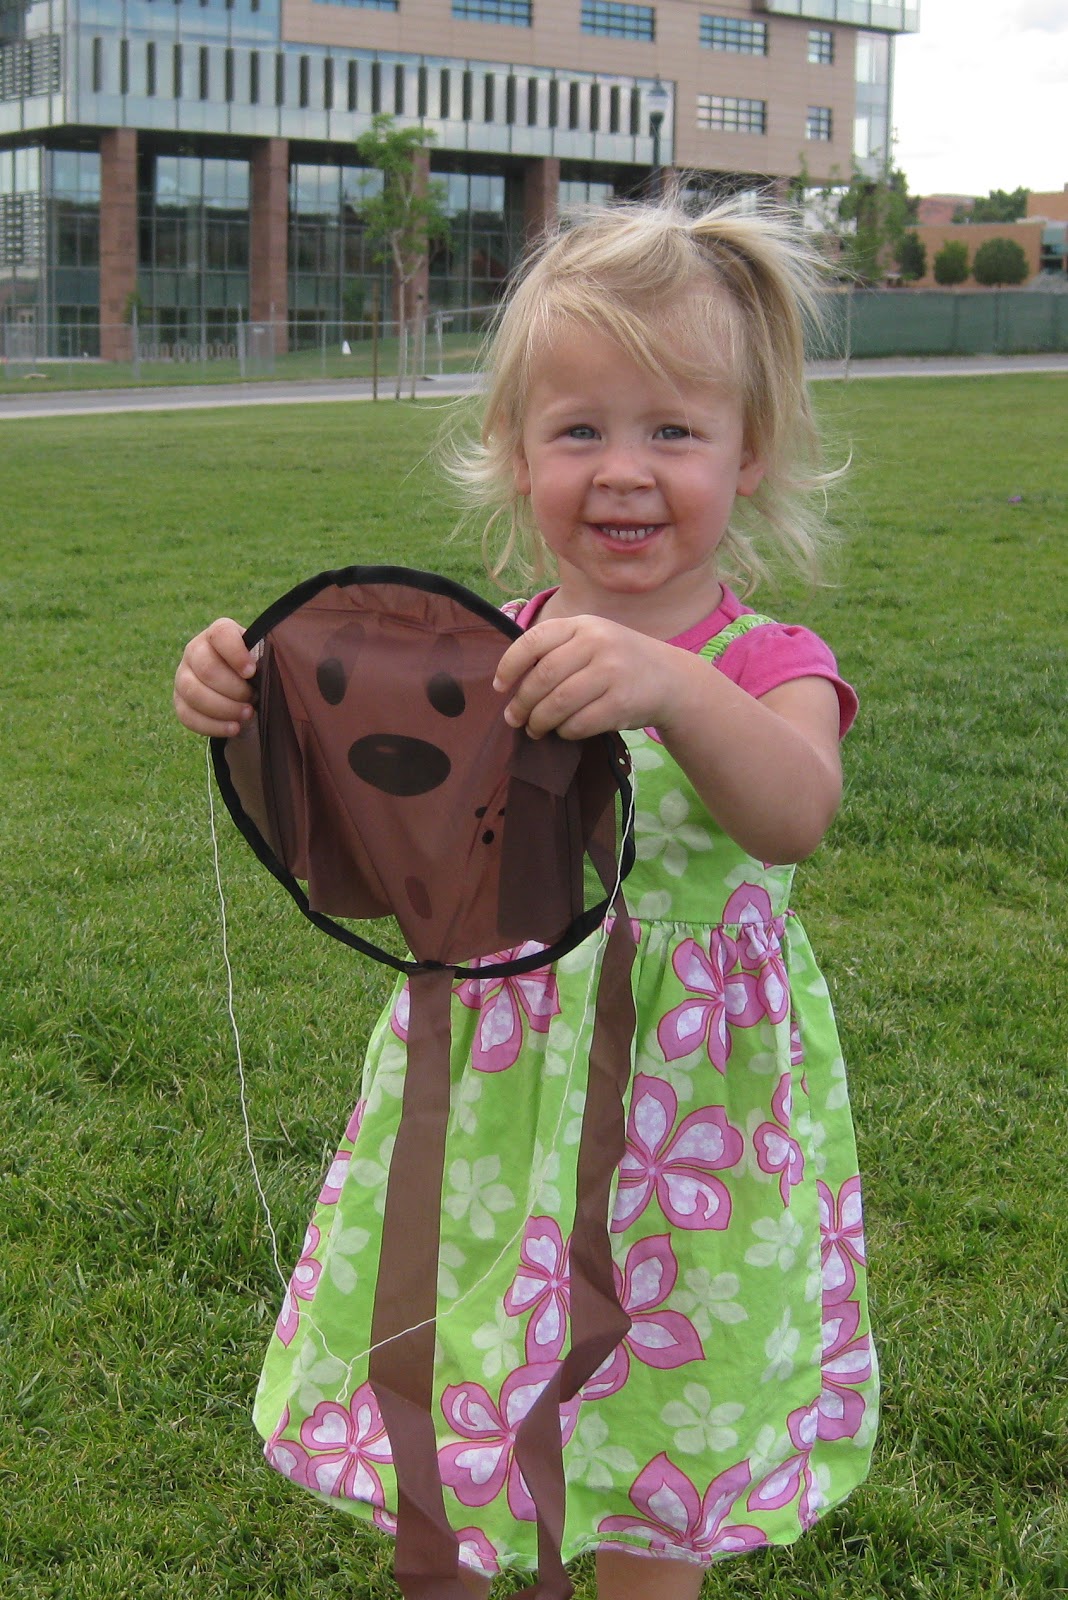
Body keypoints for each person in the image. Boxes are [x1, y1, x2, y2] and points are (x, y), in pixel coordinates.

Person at [174, 195, 877, 1600]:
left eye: (673, 430)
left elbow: (794, 810)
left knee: (660, 1414)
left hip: (688, 1130)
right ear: (514, 454)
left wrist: (672, 687)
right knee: (470, 1377)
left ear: (749, 454)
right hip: (493, 1105)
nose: (625, 470)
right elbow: (378, 843)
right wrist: (243, 712)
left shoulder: (766, 660)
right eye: (579, 430)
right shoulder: (485, 656)